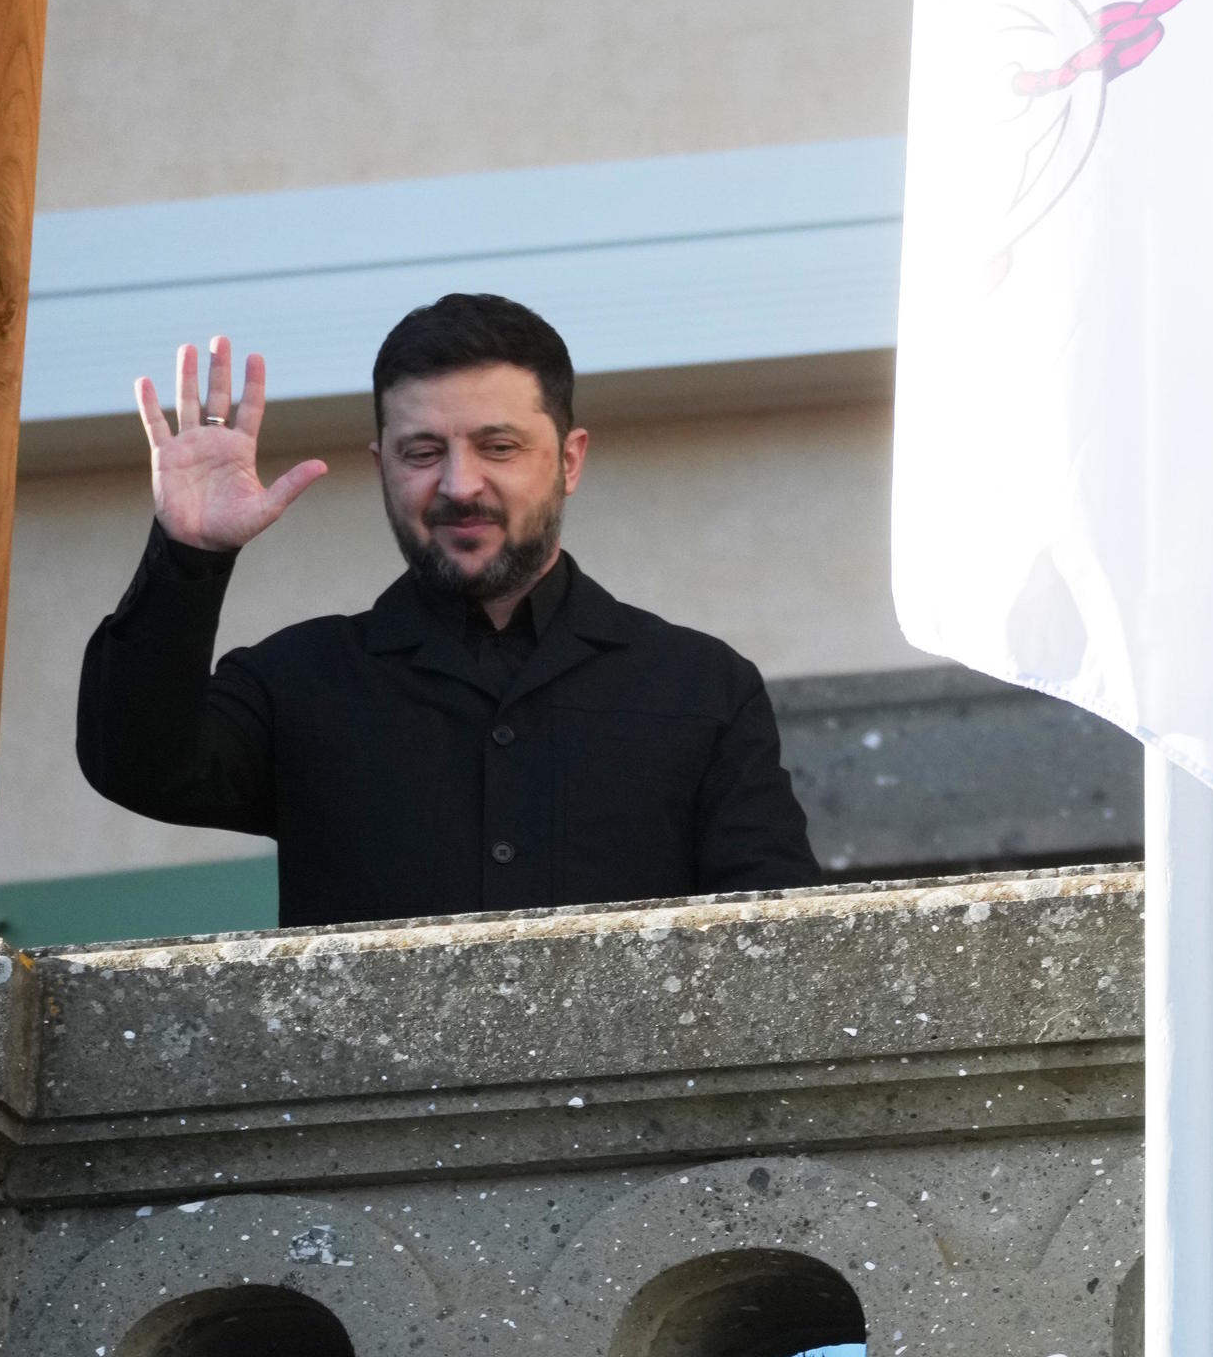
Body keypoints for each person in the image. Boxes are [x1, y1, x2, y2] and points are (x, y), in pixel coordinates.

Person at [78, 291, 819, 928]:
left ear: (569, 460)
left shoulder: (702, 688)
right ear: (383, 468)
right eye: (423, 452)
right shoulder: (297, 683)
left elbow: (779, 942)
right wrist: (187, 554)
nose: (460, 485)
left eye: (498, 446)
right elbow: (136, 766)